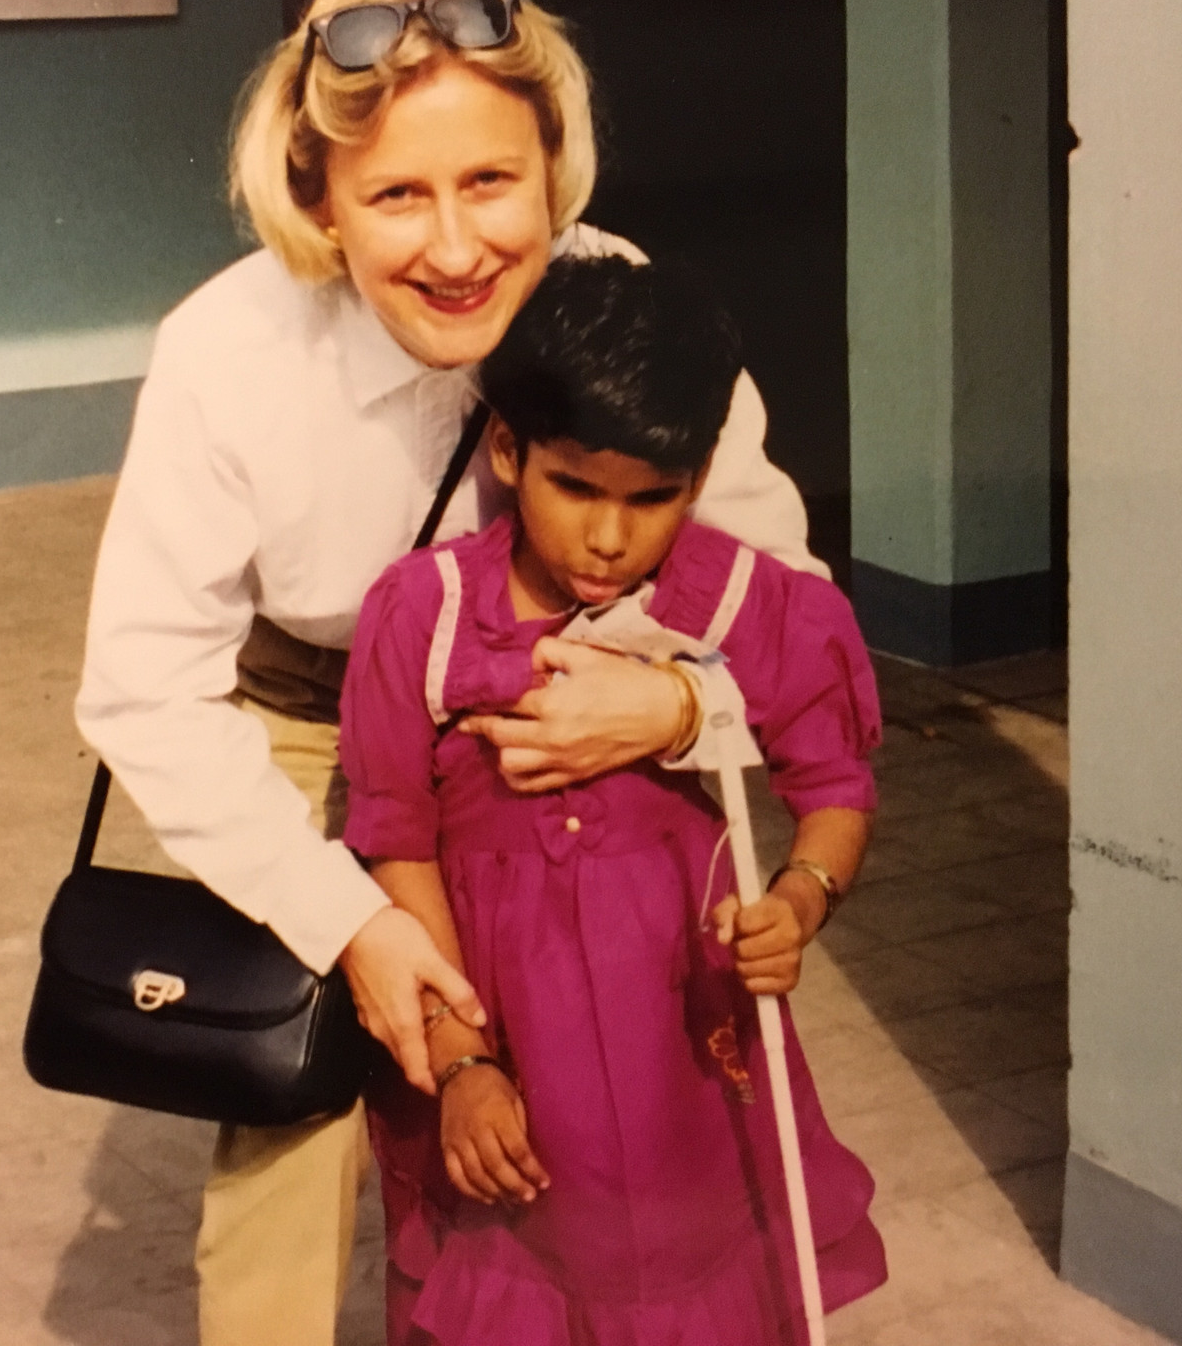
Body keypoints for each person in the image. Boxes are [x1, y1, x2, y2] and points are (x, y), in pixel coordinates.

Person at [76, 0, 830, 1346]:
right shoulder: (227, 353)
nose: (457, 247)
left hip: (570, 712)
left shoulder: (624, 301)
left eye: (491, 182)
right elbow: (140, 688)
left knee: (618, 1096)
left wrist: (671, 708)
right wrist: (348, 921)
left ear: (556, 168)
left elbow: (785, 600)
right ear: (317, 199)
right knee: (300, 1126)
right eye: (395, 196)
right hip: (312, 725)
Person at [339, 256, 888, 1345]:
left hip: (682, 1053)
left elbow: (834, 787)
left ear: (697, 478)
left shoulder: (743, 600)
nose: (609, 537)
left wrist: (801, 900)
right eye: (575, 488)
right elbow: (393, 837)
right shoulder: (426, 617)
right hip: (502, 1043)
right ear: (508, 449)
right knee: (515, 1287)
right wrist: (461, 1063)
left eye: (653, 500)